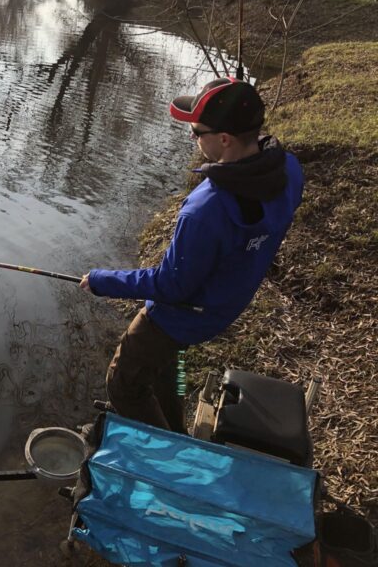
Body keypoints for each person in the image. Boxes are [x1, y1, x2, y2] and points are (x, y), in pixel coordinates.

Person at [79, 77, 303, 433]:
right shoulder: (288, 169)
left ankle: (168, 456)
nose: (194, 138)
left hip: (179, 318)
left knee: (124, 384)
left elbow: (171, 285)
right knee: (170, 364)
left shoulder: (205, 210)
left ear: (224, 140)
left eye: (197, 132)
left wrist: (102, 280)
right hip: (223, 305)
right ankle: (174, 426)